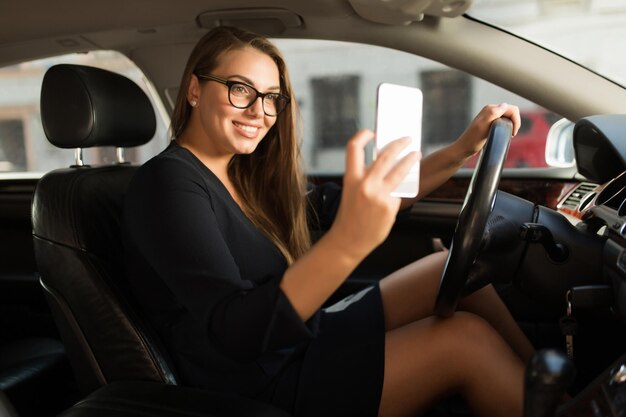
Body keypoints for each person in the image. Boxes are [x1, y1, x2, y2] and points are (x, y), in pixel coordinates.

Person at [122, 26, 532, 417]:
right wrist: (349, 243)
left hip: (301, 338)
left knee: (456, 274)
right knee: (465, 340)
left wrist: (463, 149)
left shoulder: (246, 176)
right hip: (262, 383)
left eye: (271, 97)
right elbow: (236, 332)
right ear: (195, 89)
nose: (259, 111)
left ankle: (561, 395)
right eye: (240, 89)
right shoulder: (167, 184)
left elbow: (378, 196)